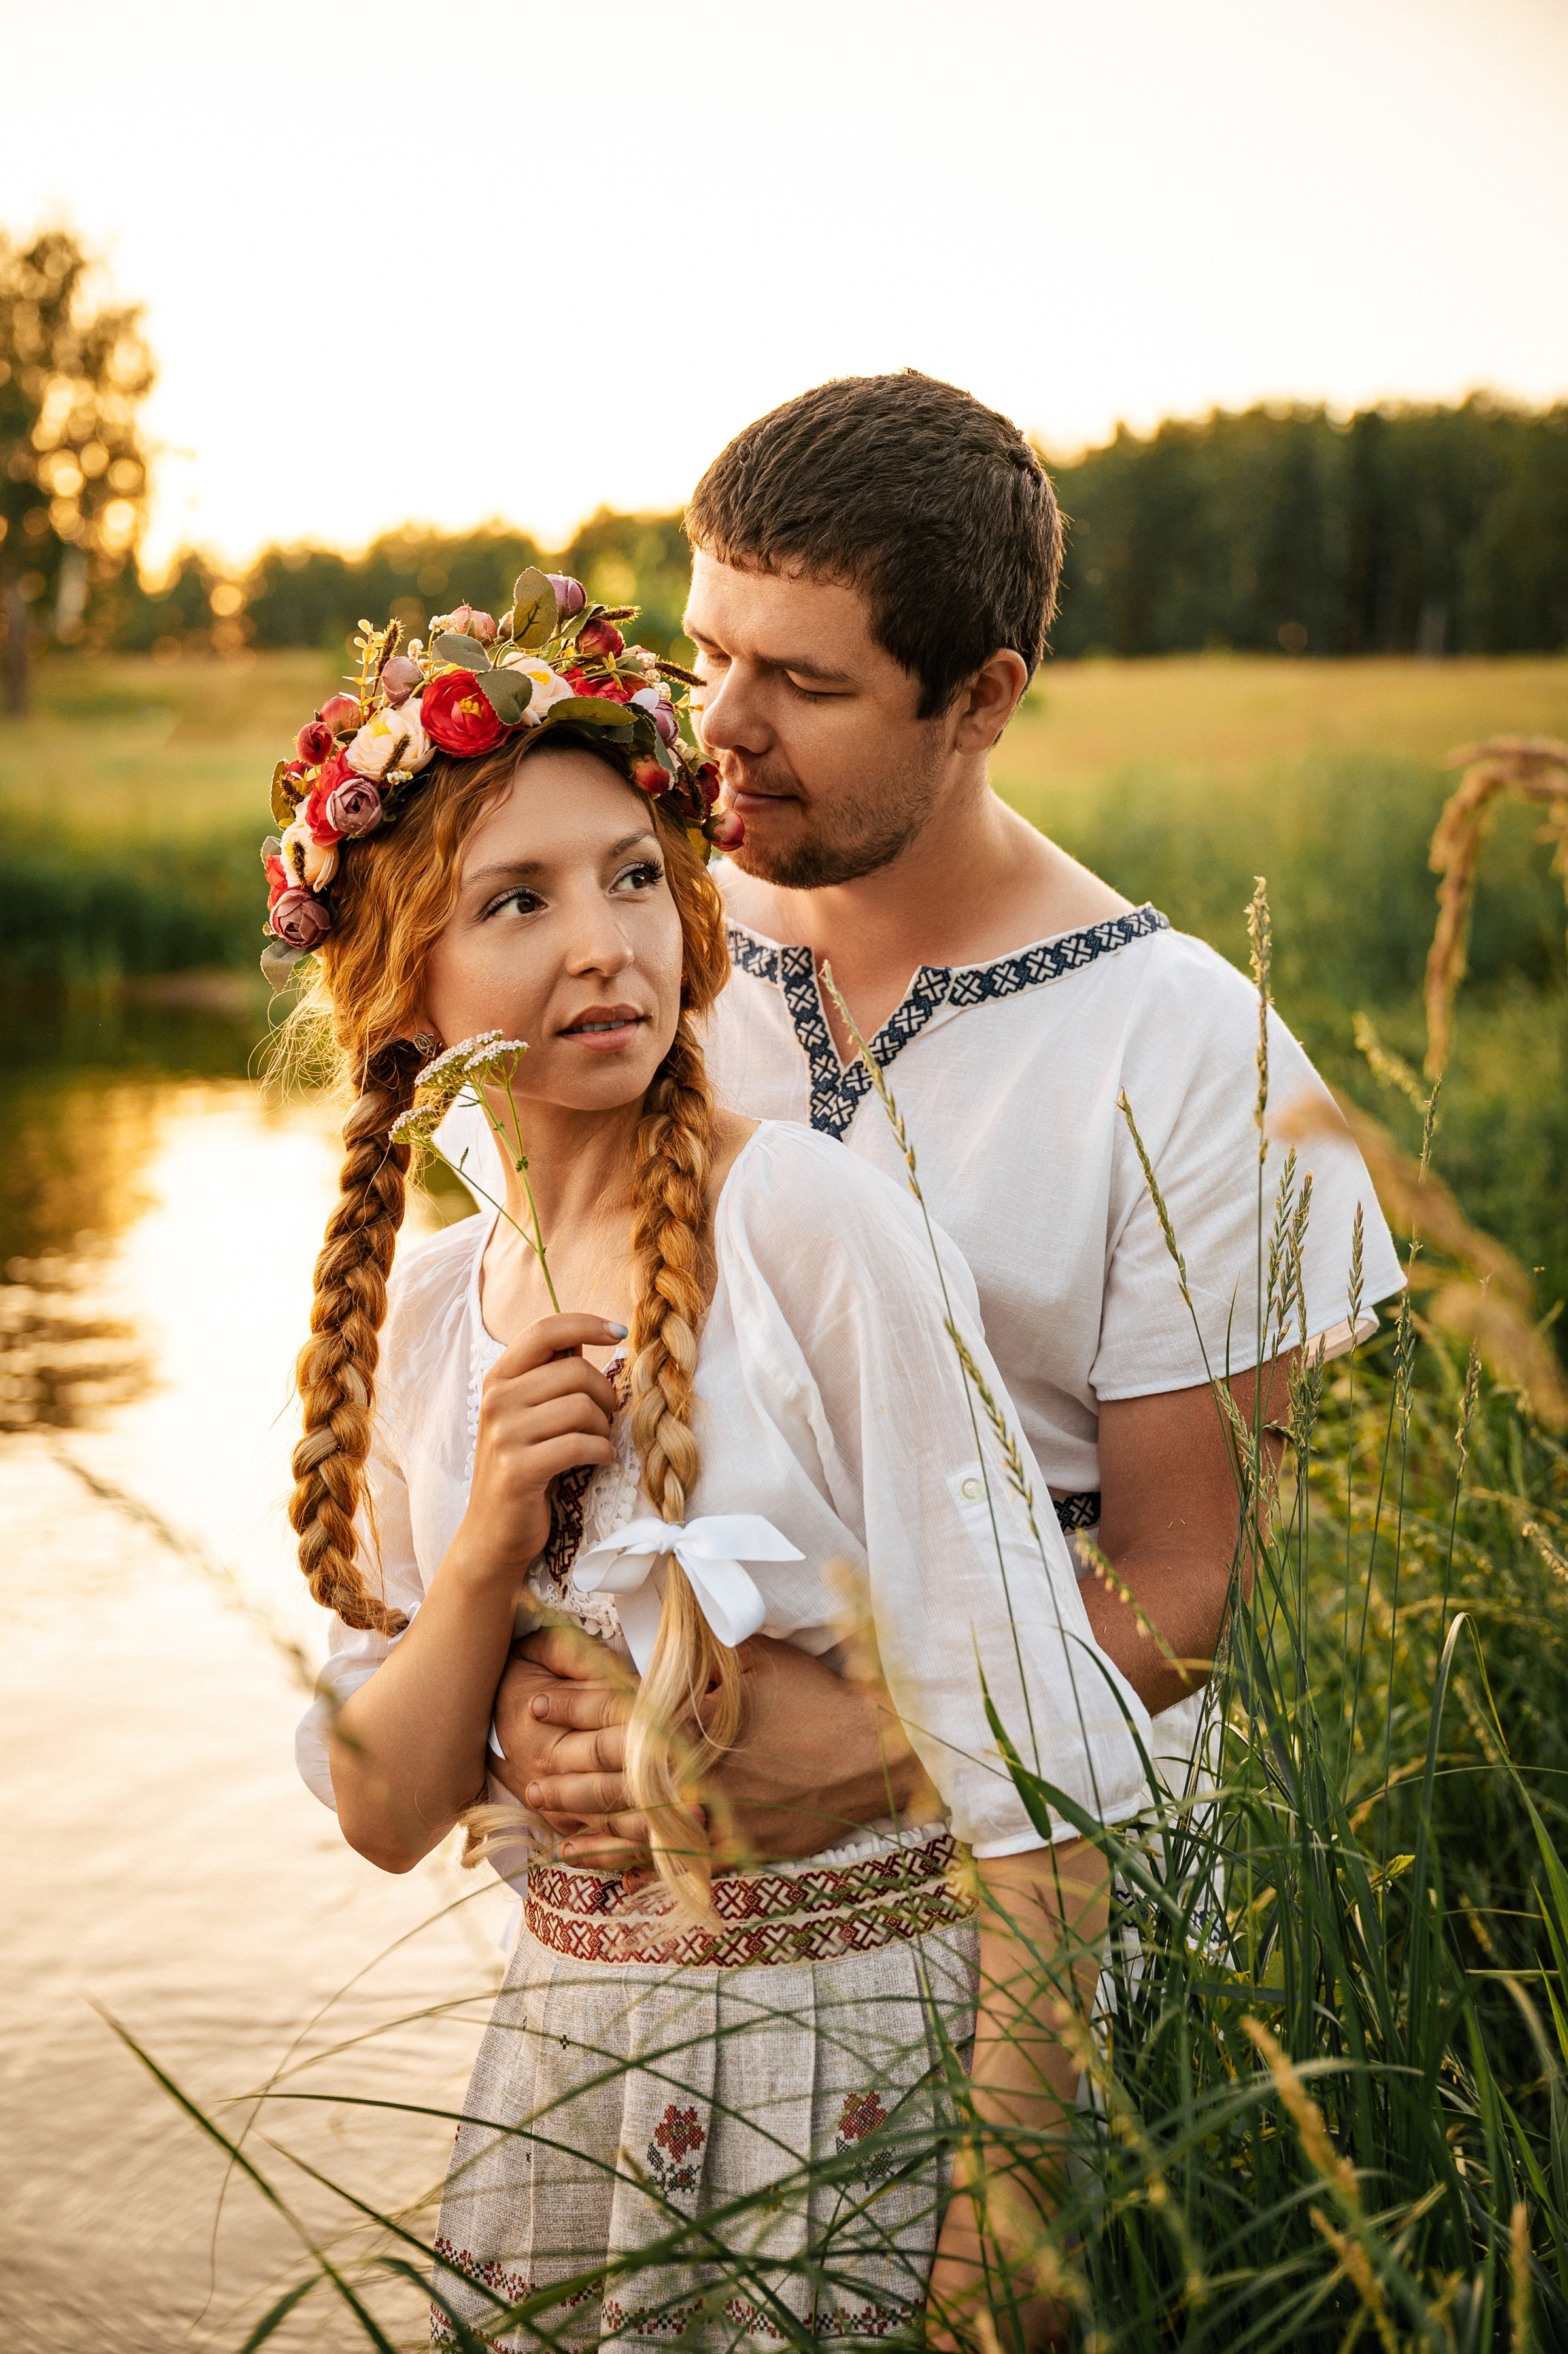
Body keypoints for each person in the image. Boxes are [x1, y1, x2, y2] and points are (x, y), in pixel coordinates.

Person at [280, 586, 1150, 2346]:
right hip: (568, 2087)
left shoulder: (811, 1236)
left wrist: (993, 2296)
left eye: (626, 878)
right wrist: (480, 1562)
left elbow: (1044, 1806)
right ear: (402, 984)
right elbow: (384, 1818)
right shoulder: (432, 1311)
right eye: (514, 902)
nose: (601, 946)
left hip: (838, 2066)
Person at [477, 371, 1404, 1867]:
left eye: (807, 684)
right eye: (709, 652)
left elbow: (1193, 1571)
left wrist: (877, 1758)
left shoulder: (1185, 1050)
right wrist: (506, 1696)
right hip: (643, 1903)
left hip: (1024, 1891)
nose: (721, 725)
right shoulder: (624, 956)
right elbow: (487, 1384)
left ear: (980, 698)